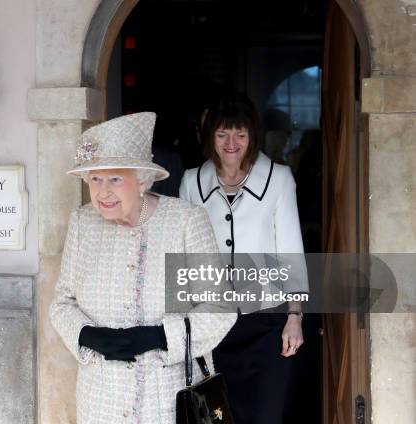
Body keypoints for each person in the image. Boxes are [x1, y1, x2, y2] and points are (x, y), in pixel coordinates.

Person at [49, 112, 237, 423]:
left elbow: (220, 307)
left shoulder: (185, 222)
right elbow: (62, 302)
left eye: (115, 179)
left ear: (142, 180)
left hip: (168, 398)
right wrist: (86, 335)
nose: (103, 192)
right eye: (95, 179)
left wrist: (160, 337)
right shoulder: (83, 222)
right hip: (101, 401)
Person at [179, 94, 308, 424]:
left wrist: (295, 317)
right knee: (216, 415)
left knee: (265, 414)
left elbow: (290, 251)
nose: (231, 143)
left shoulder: (278, 179)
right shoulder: (192, 182)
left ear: (253, 136)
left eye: (240, 134)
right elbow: (183, 255)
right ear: (210, 137)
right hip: (213, 324)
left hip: (267, 323)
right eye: (222, 134)